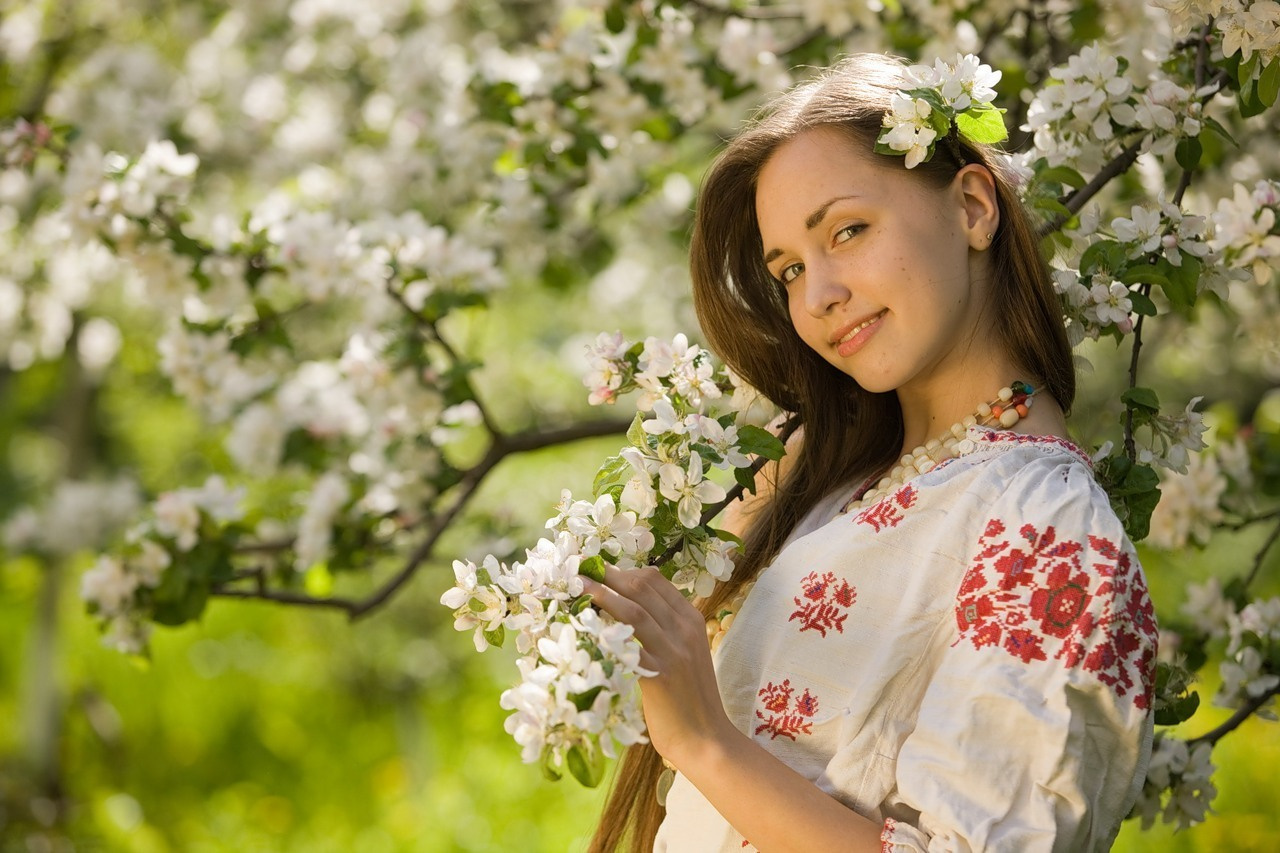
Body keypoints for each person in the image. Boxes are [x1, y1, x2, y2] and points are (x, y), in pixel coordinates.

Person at [579, 53, 1157, 852]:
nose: (816, 297)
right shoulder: (828, 477)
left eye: (847, 230)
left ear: (974, 206)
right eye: (788, 269)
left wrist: (705, 741)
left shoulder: (1051, 535)